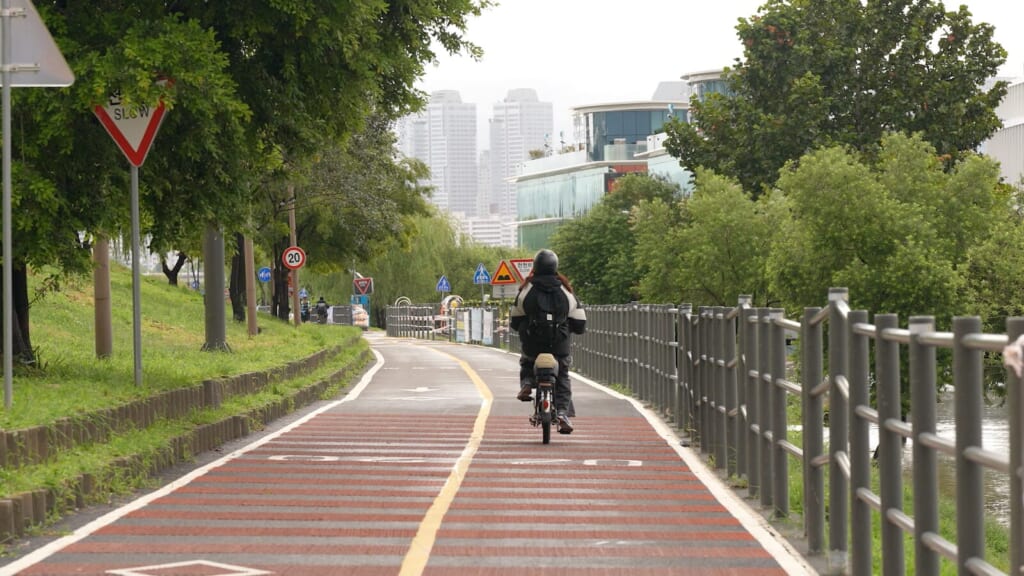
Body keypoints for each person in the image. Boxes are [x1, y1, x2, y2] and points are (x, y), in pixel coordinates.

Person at [510, 249, 586, 434]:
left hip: (533, 345)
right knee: (562, 376)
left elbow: (515, 322)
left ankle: (527, 383)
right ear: (555, 266)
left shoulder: (526, 290)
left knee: (527, 362)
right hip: (559, 345)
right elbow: (580, 323)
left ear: (535, 267)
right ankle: (562, 413)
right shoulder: (566, 291)